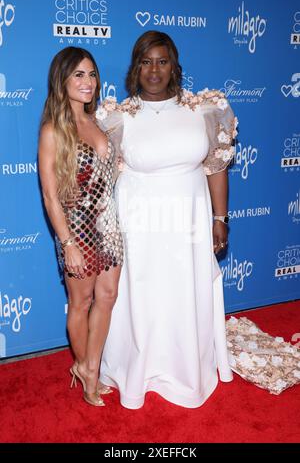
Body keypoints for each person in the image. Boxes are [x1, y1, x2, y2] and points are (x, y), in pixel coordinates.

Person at [97, 31, 238, 409]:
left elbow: (216, 168)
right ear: (135, 68)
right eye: (146, 62)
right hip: (139, 222)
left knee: (184, 292)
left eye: (162, 61)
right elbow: (100, 179)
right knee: (142, 295)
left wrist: (219, 218)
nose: (154, 70)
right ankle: (136, 366)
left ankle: (186, 368)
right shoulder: (116, 118)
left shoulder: (206, 111)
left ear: (174, 66)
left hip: (189, 221)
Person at [38, 47, 123, 407]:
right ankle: (86, 368)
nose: (88, 82)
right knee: (81, 301)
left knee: (107, 297)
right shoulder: (53, 129)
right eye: (78, 75)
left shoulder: (99, 121)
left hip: (109, 225)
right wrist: (68, 242)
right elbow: (49, 195)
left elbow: (102, 175)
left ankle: (91, 366)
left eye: (91, 74)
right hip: (77, 229)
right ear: (62, 80)